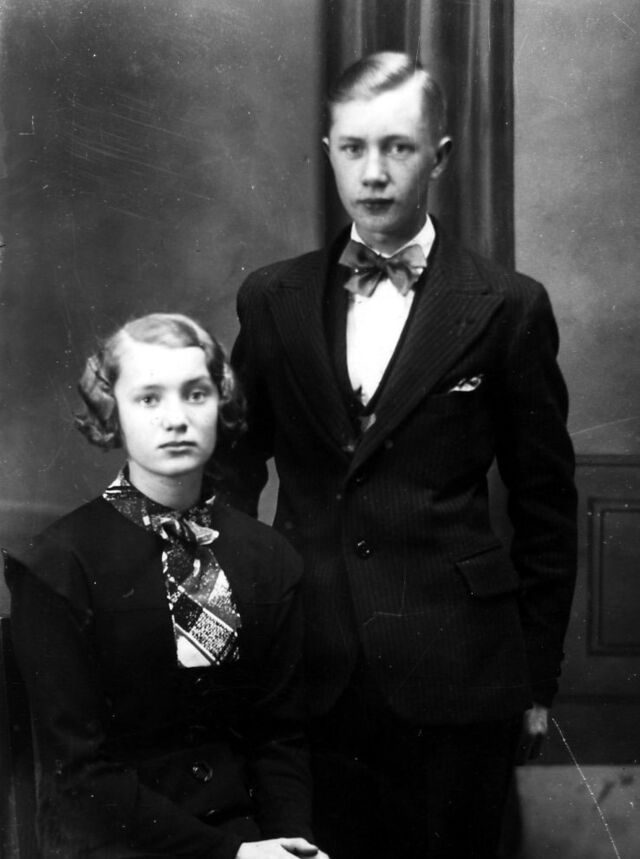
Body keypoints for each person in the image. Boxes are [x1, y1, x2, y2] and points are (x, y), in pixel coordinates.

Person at [215, 52, 578, 859]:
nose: (373, 172)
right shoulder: (272, 298)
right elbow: (230, 477)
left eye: (399, 148)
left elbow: (546, 509)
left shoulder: (508, 307)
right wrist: (237, 630)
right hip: (308, 664)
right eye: (354, 148)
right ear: (329, 152)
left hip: (461, 677)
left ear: (439, 157)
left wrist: (537, 680)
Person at [6, 313, 329, 859]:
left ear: (222, 404)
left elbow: (279, 739)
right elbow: (79, 775)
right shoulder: (58, 564)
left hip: (248, 838)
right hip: (115, 843)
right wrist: (231, 856)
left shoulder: (267, 557)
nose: (176, 419)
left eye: (196, 394)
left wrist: (291, 844)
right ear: (112, 412)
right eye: (149, 398)